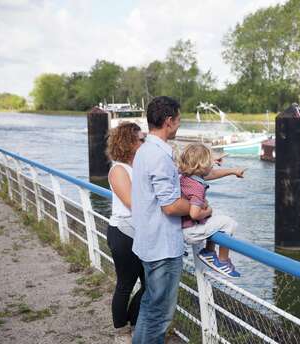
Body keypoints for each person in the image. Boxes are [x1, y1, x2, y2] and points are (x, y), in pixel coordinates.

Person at [131, 96, 191, 344]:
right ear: (169, 121)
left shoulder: (144, 150)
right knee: (160, 314)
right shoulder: (159, 155)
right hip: (162, 248)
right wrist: (200, 208)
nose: (179, 125)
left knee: (149, 305)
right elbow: (170, 206)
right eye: (178, 120)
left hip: (147, 242)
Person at [106, 122, 146, 344]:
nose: (144, 143)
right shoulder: (119, 169)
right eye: (141, 139)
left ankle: (134, 323)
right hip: (123, 234)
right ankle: (121, 333)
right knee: (125, 285)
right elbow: (133, 203)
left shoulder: (138, 166)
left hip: (141, 233)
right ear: (128, 142)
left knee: (149, 285)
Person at [178, 143, 243, 278]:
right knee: (229, 223)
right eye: (210, 163)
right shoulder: (197, 187)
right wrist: (207, 210)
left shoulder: (185, 177)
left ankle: (209, 251)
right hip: (190, 232)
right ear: (201, 166)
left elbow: (209, 173)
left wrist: (231, 170)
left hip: (181, 228)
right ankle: (223, 260)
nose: (212, 165)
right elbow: (194, 214)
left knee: (217, 216)